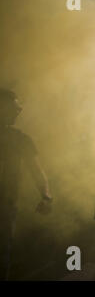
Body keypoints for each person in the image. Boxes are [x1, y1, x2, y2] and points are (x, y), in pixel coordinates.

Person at [0, 88, 52, 280]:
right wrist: (46, 196)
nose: (19, 110)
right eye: (15, 106)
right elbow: (37, 171)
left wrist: (46, 195)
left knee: (3, 252)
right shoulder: (20, 138)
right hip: (7, 206)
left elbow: (37, 171)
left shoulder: (20, 139)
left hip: (6, 206)